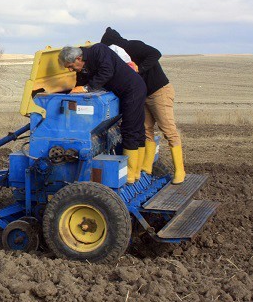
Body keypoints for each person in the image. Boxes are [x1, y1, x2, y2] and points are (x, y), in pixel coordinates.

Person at [100, 27, 184, 184]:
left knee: (168, 130)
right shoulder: (119, 57)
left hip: (159, 92)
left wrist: (140, 69)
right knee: (146, 130)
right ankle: (146, 168)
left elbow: (155, 53)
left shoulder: (133, 46)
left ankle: (180, 171)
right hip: (142, 95)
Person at [58, 44, 147, 184]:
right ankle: (137, 171)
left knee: (131, 129)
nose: (70, 70)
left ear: (79, 58)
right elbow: (81, 83)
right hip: (124, 93)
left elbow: (107, 71)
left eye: (70, 66)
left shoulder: (99, 51)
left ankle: (131, 174)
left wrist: (87, 88)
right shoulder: (82, 67)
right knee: (135, 129)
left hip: (133, 90)